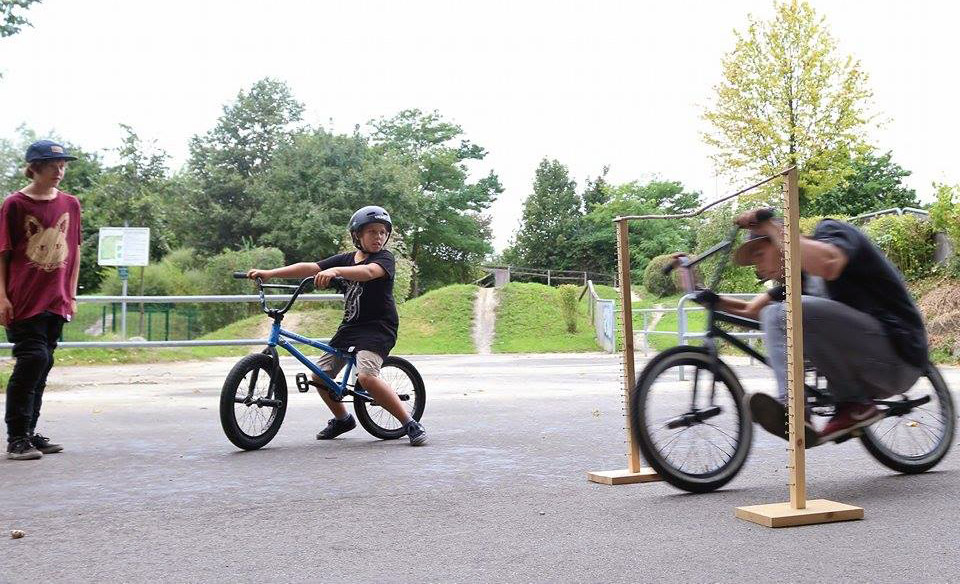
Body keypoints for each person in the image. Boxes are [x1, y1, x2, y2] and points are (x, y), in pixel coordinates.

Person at [700, 208, 927, 444]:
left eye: (759, 254)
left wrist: (769, 226)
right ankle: (853, 404)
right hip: (872, 371)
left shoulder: (830, 232)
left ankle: (793, 406)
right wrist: (711, 299)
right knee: (776, 314)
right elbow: (751, 310)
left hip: (899, 351)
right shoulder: (800, 282)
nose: (758, 267)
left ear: (778, 240)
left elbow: (830, 264)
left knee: (779, 312)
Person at [246, 205, 426, 446]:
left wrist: (336, 272)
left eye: (383, 232)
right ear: (357, 236)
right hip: (351, 326)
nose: (379, 237)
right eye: (372, 232)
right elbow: (310, 268)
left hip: (378, 327)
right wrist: (270, 273)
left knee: (367, 377)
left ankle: (410, 423)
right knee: (321, 376)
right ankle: (343, 419)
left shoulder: (384, 259)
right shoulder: (346, 259)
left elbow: (369, 272)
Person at [1, 140, 82, 460]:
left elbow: (74, 252)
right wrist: (2, 297)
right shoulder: (15, 204)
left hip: (57, 299)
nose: (59, 172)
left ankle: (29, 432)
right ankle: (16, 437)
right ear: (33, 168)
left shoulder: (71, 204)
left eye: (62, 166)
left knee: (43, 363)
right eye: (52, 166)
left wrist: (71, 294)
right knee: (32, 359)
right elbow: (3, 254)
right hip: (24, 299)